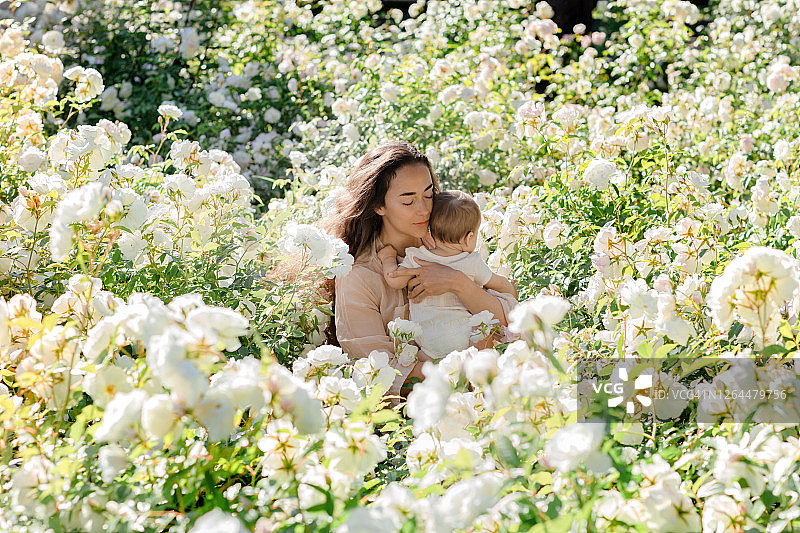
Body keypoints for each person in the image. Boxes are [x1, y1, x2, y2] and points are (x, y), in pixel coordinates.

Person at [327, 140, 518, 396]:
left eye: (428, 195)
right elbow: (378, 373)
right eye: (408, 202)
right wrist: (465, 377)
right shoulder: (357, 277)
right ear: (378, 205)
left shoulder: (447, 240)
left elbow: (508, 319)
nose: (424, 210)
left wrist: (458, 283)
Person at [377, 190, 516, 358]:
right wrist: (510, 287)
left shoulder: (416, 256)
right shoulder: (472, 261)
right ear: (468, 238)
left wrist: (388, 257)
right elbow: (499, 285)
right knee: (485, 331)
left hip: (428, 341)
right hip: (466, 338)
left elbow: (395, 279)